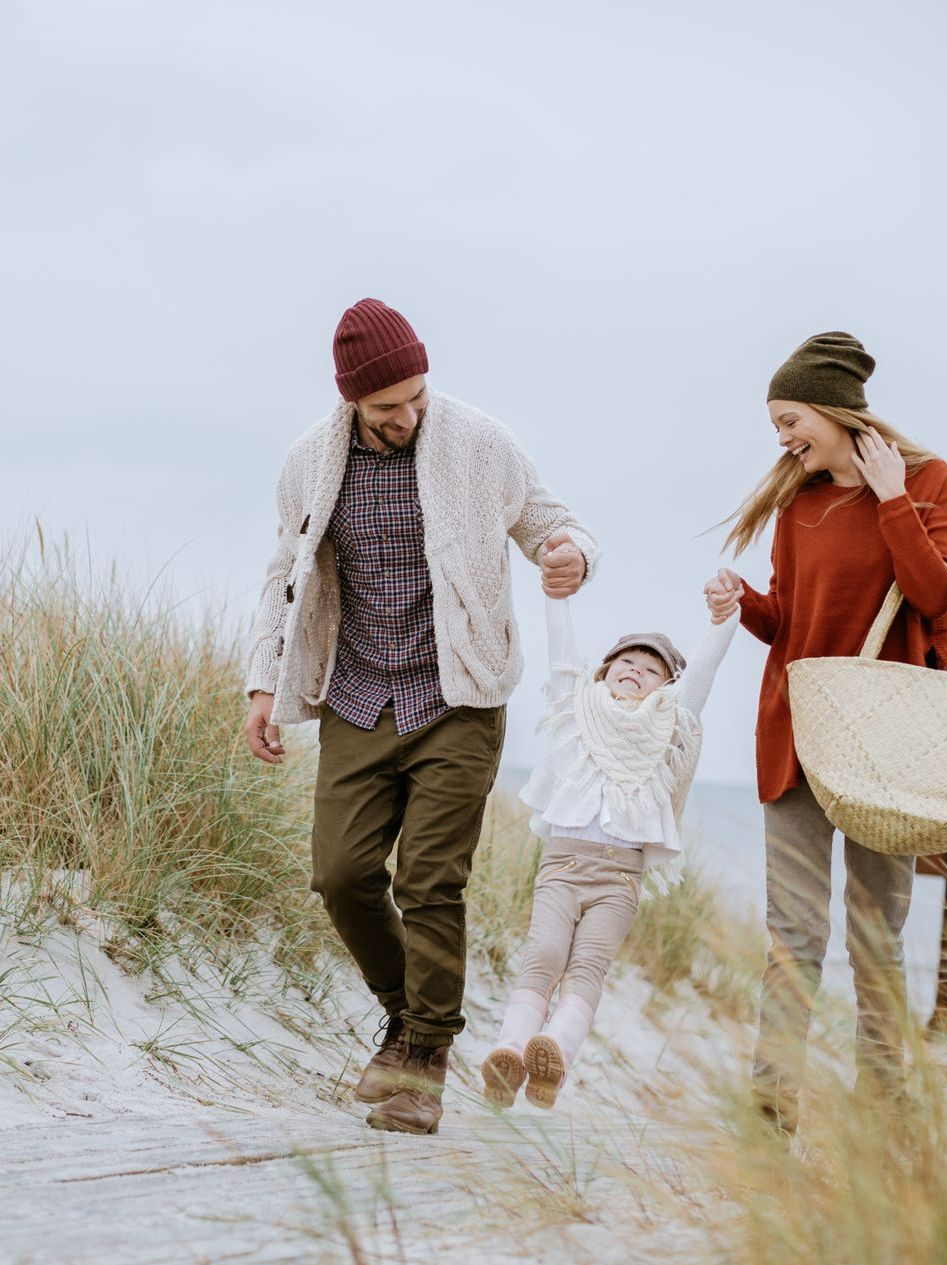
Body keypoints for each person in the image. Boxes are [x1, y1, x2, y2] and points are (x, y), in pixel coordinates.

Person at [243, 298, 598, 1135]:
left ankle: (424, 1063)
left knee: (431, 881)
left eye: (415, 397)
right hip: (359, 693)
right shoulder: (308, 462)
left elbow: (553, 522)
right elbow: (283, 575)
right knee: (341, 874)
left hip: (459, 697)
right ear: (351, 403)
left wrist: (571, 554)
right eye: (385, 407)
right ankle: (408, 1017)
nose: (406, 416)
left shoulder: (479, 441)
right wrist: (264, 684)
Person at [708, 331, 947, 1136]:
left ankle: (883, 1107)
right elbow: (790, 623)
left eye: (790, 419)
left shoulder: (927, 481)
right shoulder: (798, 502)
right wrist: (742, 601)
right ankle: (771, 1106)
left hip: (888, 750)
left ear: (832, 408)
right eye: (777, 425)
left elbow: (936, 600)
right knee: (794, 936)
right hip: (796, 736)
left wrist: (892, 500)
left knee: (875, 938)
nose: (782, 439)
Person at [479, 575, 739, 1109]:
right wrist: (557, 597)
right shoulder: (575, 709)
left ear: (664, 688)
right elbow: (562, 652)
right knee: (544, 954)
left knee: (588, 967)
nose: (635, 672)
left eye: (651, 671)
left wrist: (726, 618)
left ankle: (555, 1054)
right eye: (626, 662)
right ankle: (508, 1052)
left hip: (620, 877)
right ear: (604, 669)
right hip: (562, 865)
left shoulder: (670, 726)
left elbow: (703, 675)